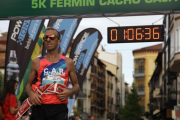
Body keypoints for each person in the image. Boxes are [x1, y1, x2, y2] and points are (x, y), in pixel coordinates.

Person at [26, 27, 80, 120]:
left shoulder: (68, 62)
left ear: (59, 41)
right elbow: (28, 85)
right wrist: (31, 94)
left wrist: (69, 92)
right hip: (40, 107)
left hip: (59, 108)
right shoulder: (37, 62)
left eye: (51, 37)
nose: (48, 40)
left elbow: (77, 86)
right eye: (45, 37)